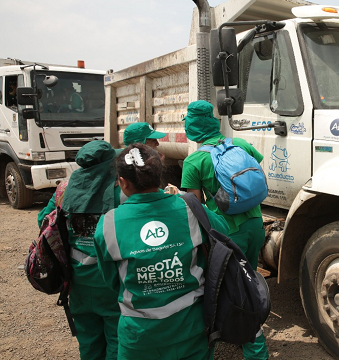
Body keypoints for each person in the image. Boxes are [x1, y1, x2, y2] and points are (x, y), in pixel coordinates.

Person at [94, 143, 229, 360]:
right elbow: (222, 232)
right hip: (191, 329)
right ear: (160, 178)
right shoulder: (189, 210)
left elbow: (112, 280)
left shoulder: (108, 224)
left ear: (122, 182)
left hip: (139, 336)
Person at [181, 100, 269, 360]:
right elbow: (255, 178)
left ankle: (254, 348)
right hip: (256, 225)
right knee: (248, 279)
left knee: (232, 290)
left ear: (191, 128)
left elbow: (195, 208)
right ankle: (244, 330)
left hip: (229, 233)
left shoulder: (194, 161)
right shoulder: (240, 144)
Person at [37, 140, 124, 360]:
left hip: (76, 280)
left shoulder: (64, 191)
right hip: (111, 281)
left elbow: (43, 221)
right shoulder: (120, 194)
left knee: (88, 340)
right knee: (116, 337)